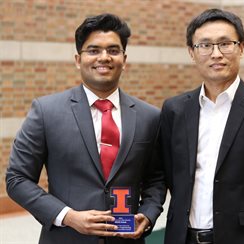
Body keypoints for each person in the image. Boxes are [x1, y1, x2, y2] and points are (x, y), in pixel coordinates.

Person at [6, 13, 166, 244]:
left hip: (127, 239)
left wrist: (148, 215)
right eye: (93, 50)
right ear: (78, 59)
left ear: (124, 58)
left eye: (113, 50)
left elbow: (156, 179)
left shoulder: (149, 116)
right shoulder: (46, 111)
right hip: (66, 237)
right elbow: (17, 178)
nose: (104, 57)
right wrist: (68, 217)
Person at [160, 8, 244, 244]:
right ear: (192, 52)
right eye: (205, 45)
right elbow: (172, 175)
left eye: (225, 43)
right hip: (183, 237)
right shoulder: (174, 109)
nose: (216, 54)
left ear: (241, 48)